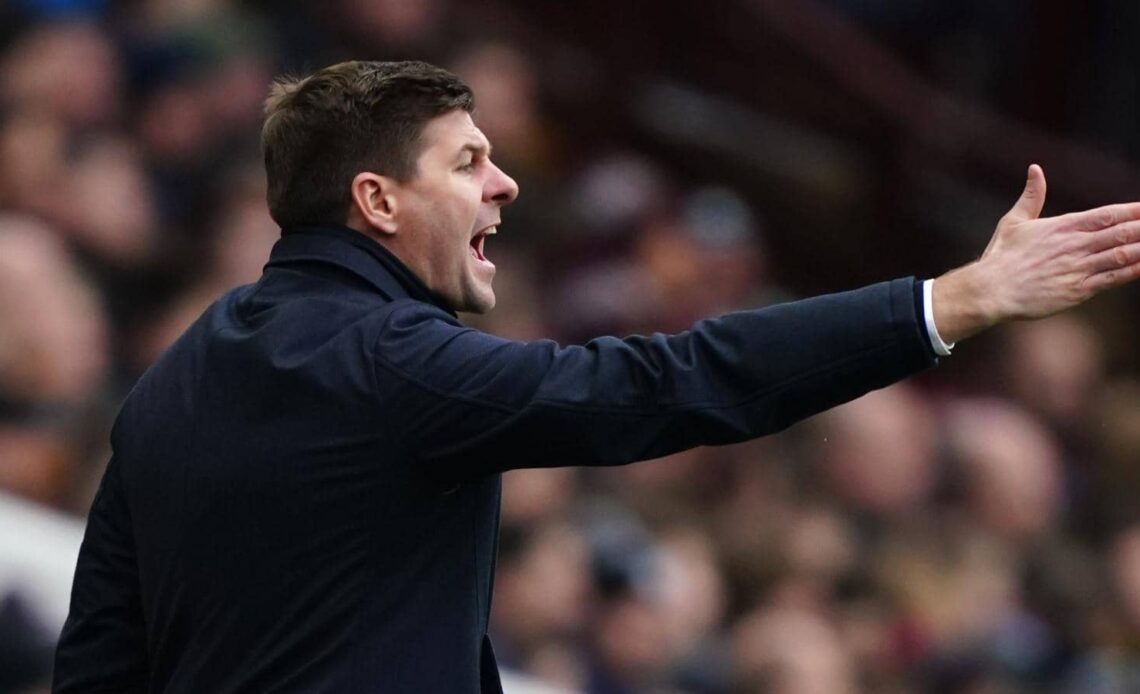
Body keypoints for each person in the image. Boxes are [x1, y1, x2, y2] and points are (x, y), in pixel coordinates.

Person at [52, 60, 1140, 693]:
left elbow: (100, 659)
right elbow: (668, 379)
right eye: (469, 162)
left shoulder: (178, 374)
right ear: (378, 202)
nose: (507, 182)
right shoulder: (391, 362)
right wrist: (947, 303)